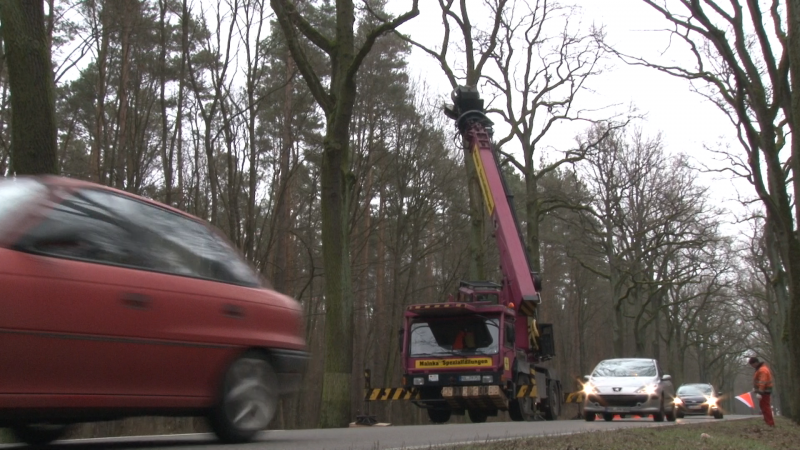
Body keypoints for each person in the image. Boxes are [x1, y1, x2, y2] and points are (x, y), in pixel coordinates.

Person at [748, 356, 775, 427]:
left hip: (764, 391)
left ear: (755, 363)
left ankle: (770, 423)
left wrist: (759, 392)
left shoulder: (762, 370)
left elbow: (762, 382)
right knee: (763, 406)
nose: (752, 366)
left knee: (765, 407)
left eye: (752, 364)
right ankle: (768, 422)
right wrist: (756, 388)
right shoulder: (761, 369)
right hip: (764, 391)